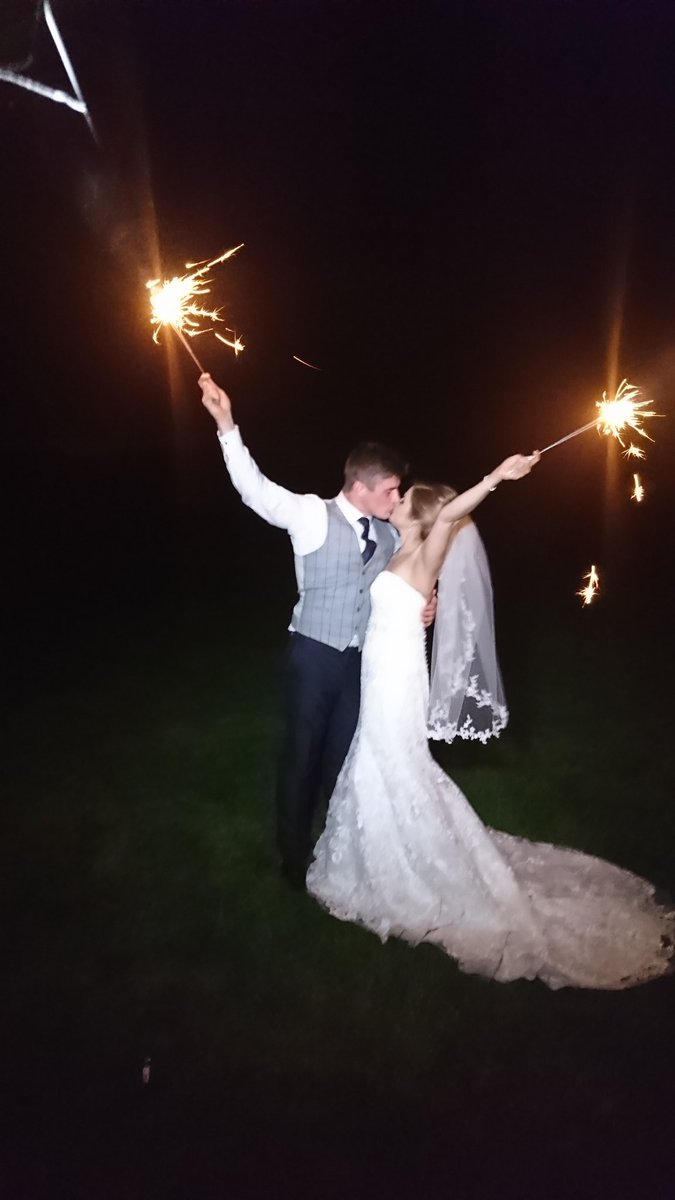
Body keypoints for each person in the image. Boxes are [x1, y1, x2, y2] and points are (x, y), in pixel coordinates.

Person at [307, 467, 675, 989]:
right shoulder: (396, 543)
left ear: (425, 515)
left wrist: (498, 476)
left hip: (398, 679)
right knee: (376, 757)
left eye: (406, 496)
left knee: (392, 761)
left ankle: (405, 864)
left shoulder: (428, 548)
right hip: (381, 669)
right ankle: (380, 850)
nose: (398, 497)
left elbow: (454, 512)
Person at [198, 372, 434, 890]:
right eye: (390, 489)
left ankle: (342, 844)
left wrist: (426, 604)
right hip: (313, 655)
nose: (397, 498)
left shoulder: (391, 534)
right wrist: (225, 424)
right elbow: (255, 491)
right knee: (302, 753)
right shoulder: (312, 514)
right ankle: (293, 855)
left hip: (358, 662)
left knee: (346, 754)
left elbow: (405, 581)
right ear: (362, 486)